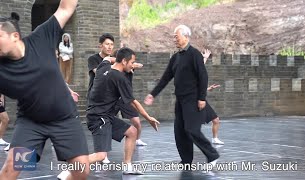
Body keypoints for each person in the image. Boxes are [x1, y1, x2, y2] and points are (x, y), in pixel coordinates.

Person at [0, 0, 90, 179]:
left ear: (15, 36)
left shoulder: (42, 36)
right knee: (12, 167)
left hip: (65, 119)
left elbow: (66, 7)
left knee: (81, 170)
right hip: (32, 124)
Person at [144, 25, 219, 167]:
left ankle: (212, 155)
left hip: (193, 99)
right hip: (180, 100)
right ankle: (186, 161)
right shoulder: (175, 58)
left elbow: (203, 76)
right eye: (174, 36)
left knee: (191, 129)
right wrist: (153, 94)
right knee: (179, 131)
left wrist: (202, 98)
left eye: (176, 36)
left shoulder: (194, 54)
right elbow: (165, 78)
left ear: (186, 37)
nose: (174, 39)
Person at [85, 47, 159, 175]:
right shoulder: (119, 78)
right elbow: (133, 102)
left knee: (132, 132)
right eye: (131, 63)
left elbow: (108, 58)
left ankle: (127, 166)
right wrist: (148, 118)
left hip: (103, 116)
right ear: (124, 61)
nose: (132, 66)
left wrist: (126, 61)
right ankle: (71, 168)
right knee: (101, 155)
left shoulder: (103, 67)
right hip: (99, 119)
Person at [202, 49, 224, 145]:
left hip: (201, 100)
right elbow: (199, 67)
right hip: (194, 102)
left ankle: (215, 139)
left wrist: (208, 89)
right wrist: (205, 58)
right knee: (193, 125)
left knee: (216, 120)